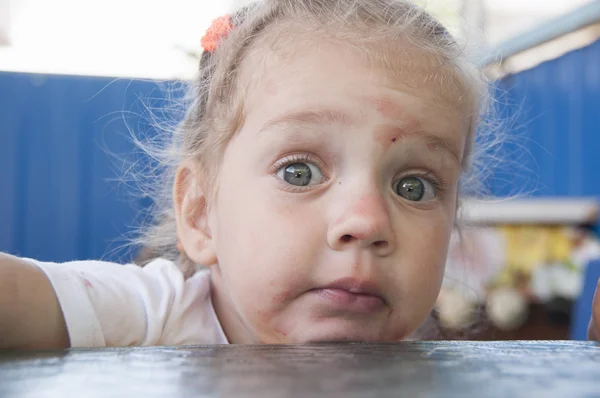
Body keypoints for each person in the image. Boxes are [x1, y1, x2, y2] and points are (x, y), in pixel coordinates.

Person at [2, 0, 596, 349]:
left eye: (414, 185)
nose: (365, 221)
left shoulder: (425, 357)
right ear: (200, 212)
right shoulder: (155, 312)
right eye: (300, 171)